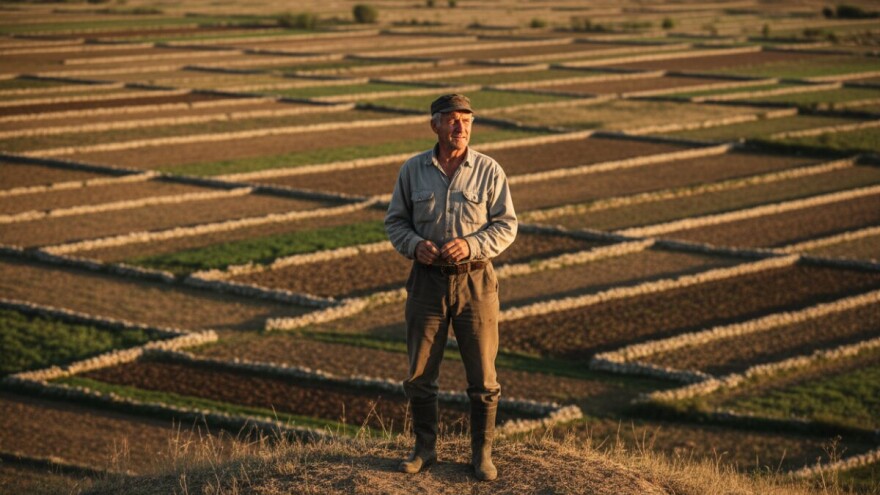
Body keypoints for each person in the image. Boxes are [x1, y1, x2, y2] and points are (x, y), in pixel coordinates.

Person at [384, 94, 517, 481]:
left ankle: (482, 455)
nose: (460, 127)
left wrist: (472, 244)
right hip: (426, 283)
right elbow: (395, 223)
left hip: (476, 283)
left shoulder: (490, 171)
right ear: (435, 125)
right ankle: (424, 450)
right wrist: (414, 245)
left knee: (483, 378)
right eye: (452, 120)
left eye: (467, 120)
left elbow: (506, 225)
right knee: (420, 374)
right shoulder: (412, 171)